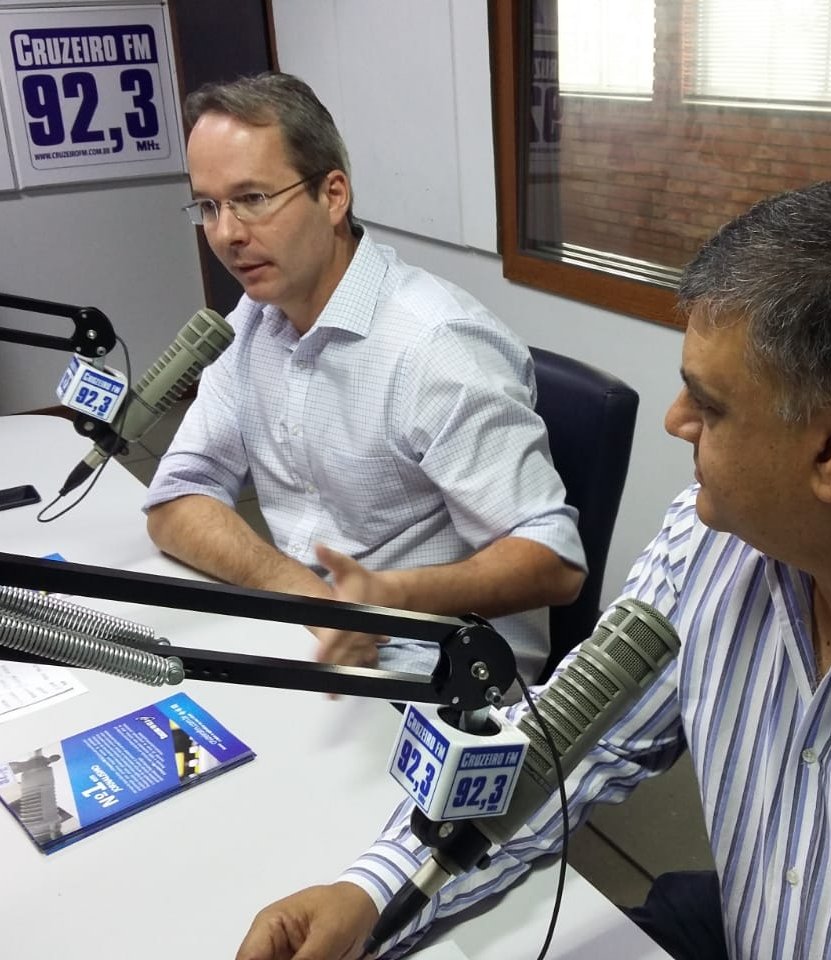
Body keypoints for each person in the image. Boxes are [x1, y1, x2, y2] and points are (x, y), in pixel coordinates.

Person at [233, 172, 831, 960]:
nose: (675, 423)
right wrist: (374, 893)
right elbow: (568, 743)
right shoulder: (717, 537)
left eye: (709, 406)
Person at [144, 73, 585, 683]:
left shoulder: (436, 346)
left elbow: (555, 560)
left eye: (253, 198)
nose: (227, 234)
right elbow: (174, 500)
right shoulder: (251, 321)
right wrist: (307, 595)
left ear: (332, 196)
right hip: (311, 633)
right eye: (209, 207)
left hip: (439, 668)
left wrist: (385, 598)